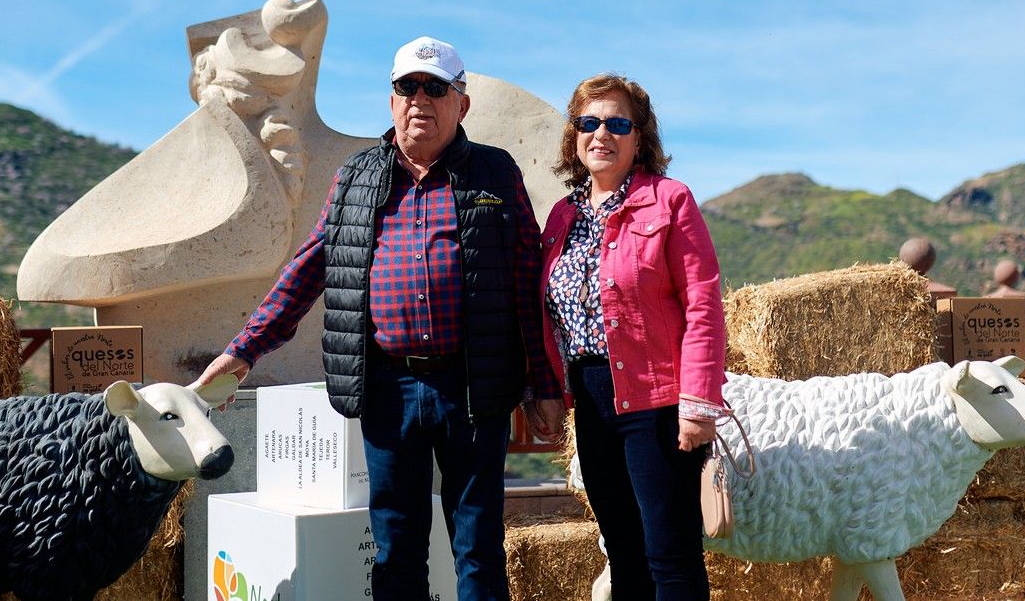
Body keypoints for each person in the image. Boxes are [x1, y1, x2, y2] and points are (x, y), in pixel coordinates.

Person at [194, 36, 564, 601]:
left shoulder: (495, 172)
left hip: (473, 386)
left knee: (479, 548)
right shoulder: (356, 177)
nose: (420, 99)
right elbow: (308, 268)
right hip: (388, 386)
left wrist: (544, 382)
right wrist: (244, 349)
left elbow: (524, 277)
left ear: (461, 103)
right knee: (395, 546)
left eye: (435, 88)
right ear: (391, 101)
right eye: (406, 87)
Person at [538, 72, 726, 600]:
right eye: (589, 122)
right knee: (622, 551)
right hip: (592, 404)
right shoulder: (562, 216)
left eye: (618, 123)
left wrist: (697, 405)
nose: (602, 133)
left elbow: (703, 305)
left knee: (670, 554)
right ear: (574, 137)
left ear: (639, 138)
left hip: (656, 401)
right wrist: (549, 388)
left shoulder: (669, 200)